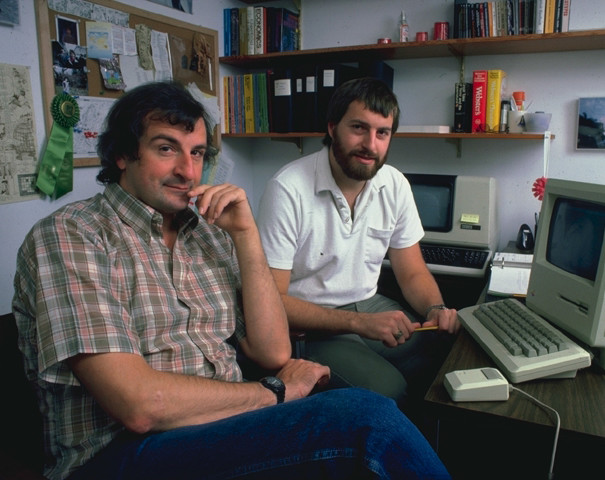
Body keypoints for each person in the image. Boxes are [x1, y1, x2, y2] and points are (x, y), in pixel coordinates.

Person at [12, 81, 451, 480]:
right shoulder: (72, 235)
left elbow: (272, 351)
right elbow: (140, 407)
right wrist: (273, 393)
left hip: (226, 425)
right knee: (367, 417)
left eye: (197, 154)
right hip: (121, 453)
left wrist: (245, 235)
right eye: (166, 149)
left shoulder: (208, 234)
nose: (188, 171)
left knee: (410, 382)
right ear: (123, 154)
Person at [257, 77, 461, 409]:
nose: (370, 144)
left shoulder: (394, 184)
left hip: (368, 305)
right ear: (332, 127)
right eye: (358, 128)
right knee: (388, 390)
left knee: (447, 356)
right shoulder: (287, 189)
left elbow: (412, 272)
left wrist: (435, 309)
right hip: (308, 323)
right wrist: (358, 323)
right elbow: (272, 301)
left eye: (382, 133)